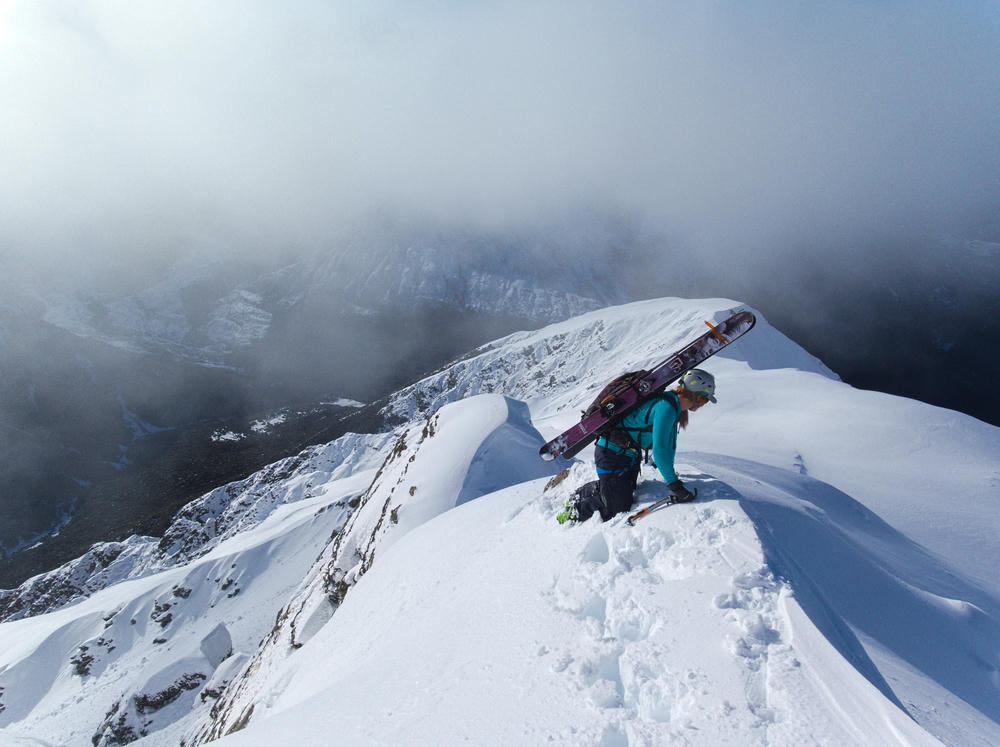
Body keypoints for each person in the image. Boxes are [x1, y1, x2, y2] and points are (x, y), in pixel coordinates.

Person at [557, 368, 717, 523]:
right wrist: (673, 484)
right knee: (615, 509)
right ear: (694, 394)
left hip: (628, 456)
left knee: (622, 492)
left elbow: (669, 447)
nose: (704, 404)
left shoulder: (674, 407)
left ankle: (589, 492)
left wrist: (673, 478)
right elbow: (660, 450)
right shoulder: (667, 407)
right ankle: (572, 511)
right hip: (612, 455)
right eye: (704, 399)